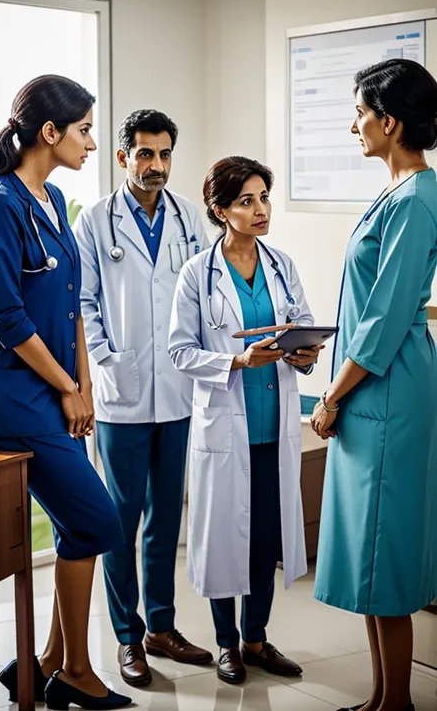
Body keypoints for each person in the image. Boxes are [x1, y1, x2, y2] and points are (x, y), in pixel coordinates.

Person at [0, 75, 131, 710]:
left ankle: (49, 665)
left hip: (57, 390)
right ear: (49, 132)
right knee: (94, 518)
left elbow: (72, 306)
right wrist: (67, 388)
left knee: (77, 523)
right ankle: (78, 671)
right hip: (14, 395)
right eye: (85, 130)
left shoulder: (53, 200)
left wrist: (83, 387)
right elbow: (5, 317)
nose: (92, 142)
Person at [311, 58, 437, 711]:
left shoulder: (417, 199)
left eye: (360, 111)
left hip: (387, 387)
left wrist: (332, 395)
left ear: (389, 121)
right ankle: (386, 698)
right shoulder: (397, 193)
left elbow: (385, 319)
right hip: (372, 386)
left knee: (383, 549)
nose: (354, 123)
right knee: (369, 551)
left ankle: (395, 703)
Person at [168, 155, 322, 684]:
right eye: (246, 201)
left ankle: (256, 638)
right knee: (221, 540)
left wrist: (304, 352)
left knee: (263, 540)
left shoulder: (281, 265)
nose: (260, 210)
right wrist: (236, 359)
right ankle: (227, 643)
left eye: (263, 197)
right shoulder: (197, 274)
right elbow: (180, 352)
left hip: (271, 427)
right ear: (220, 210)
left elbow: (300, 324)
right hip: (225, 428)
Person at [73, 109, 212, 687]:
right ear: (123, 156)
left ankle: (162, 627)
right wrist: (105, 358)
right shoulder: (96, 222)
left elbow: (204, 295)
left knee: (164, 519)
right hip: (122, 394)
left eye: (164, 154)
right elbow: (80, 303)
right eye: (144, 154)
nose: (155, 166)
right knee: (120, 519)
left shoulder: (187, 220)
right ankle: (128, 637)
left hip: (176, 393)